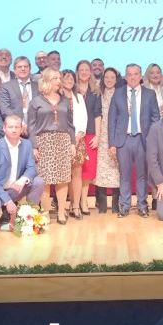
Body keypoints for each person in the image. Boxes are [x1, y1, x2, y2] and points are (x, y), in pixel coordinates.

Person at [0, 115, 46, 230]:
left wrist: (22, 180)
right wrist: (7, 201)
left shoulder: (27, 145)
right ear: (4, 129)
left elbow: (32, 168)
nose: (14, 130)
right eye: (11, 127)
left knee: (38, 181)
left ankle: (29, 216)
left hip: (14, 188)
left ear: (21, 129)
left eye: (17, 127)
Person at [107, 63, 160, 217]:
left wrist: (153, 141)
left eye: (135, 74)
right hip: (123, 140)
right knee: (124, 175)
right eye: (129, 74)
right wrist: (112, 143)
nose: (132, 77)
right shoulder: (118, 93)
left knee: (142, 175)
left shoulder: (150, 94)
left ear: (141, 76)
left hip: (143, 140)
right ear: (125, 77)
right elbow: (112, 120)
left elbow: (155, 118)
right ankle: (124, 206)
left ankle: (142, 205)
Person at [27, 68, 75, 224]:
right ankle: (45, 213)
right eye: (55, 78)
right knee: (45, 180)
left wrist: (72, 143)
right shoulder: (36, 101)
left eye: (59, 78)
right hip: (44, 142)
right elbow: (31, 126)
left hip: (62, 141)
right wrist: (34, 146)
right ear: (46, 80)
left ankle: (61, 213)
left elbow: (70, 124)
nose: (59, 81)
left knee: (63, 179)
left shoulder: (65, 101)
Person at [63, 67, 100, 217]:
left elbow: (83, 118)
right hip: (61, 139)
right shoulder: (57, 97)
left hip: (78, 140)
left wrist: (78, 135)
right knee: (64, 175)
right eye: (66, 78)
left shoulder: (78, 97)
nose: (69, 80)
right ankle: (64, 206)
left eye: (71, 78)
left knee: (77, 173)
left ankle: (76, 206)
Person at [93, 66, 121, 213]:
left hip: (117, 133)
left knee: (117, 169)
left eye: (112, 77)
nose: (109, 80)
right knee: (101, 169)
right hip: (102, 133)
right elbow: (96, 114)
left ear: (116, 79)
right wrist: (98, 135)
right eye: (106, 77)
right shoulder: (98, 93)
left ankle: (116, 205)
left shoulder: (121, 93)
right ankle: (102, 205)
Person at [0, 55, 37, 125]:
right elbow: (5, 109)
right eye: (19, 67)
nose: (23, 69)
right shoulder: (6, 87)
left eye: (25, 66)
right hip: (15, 127)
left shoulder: (38, 86)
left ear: (30, 68)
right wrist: (19, 124)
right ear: (14, 70)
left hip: (36, 127)